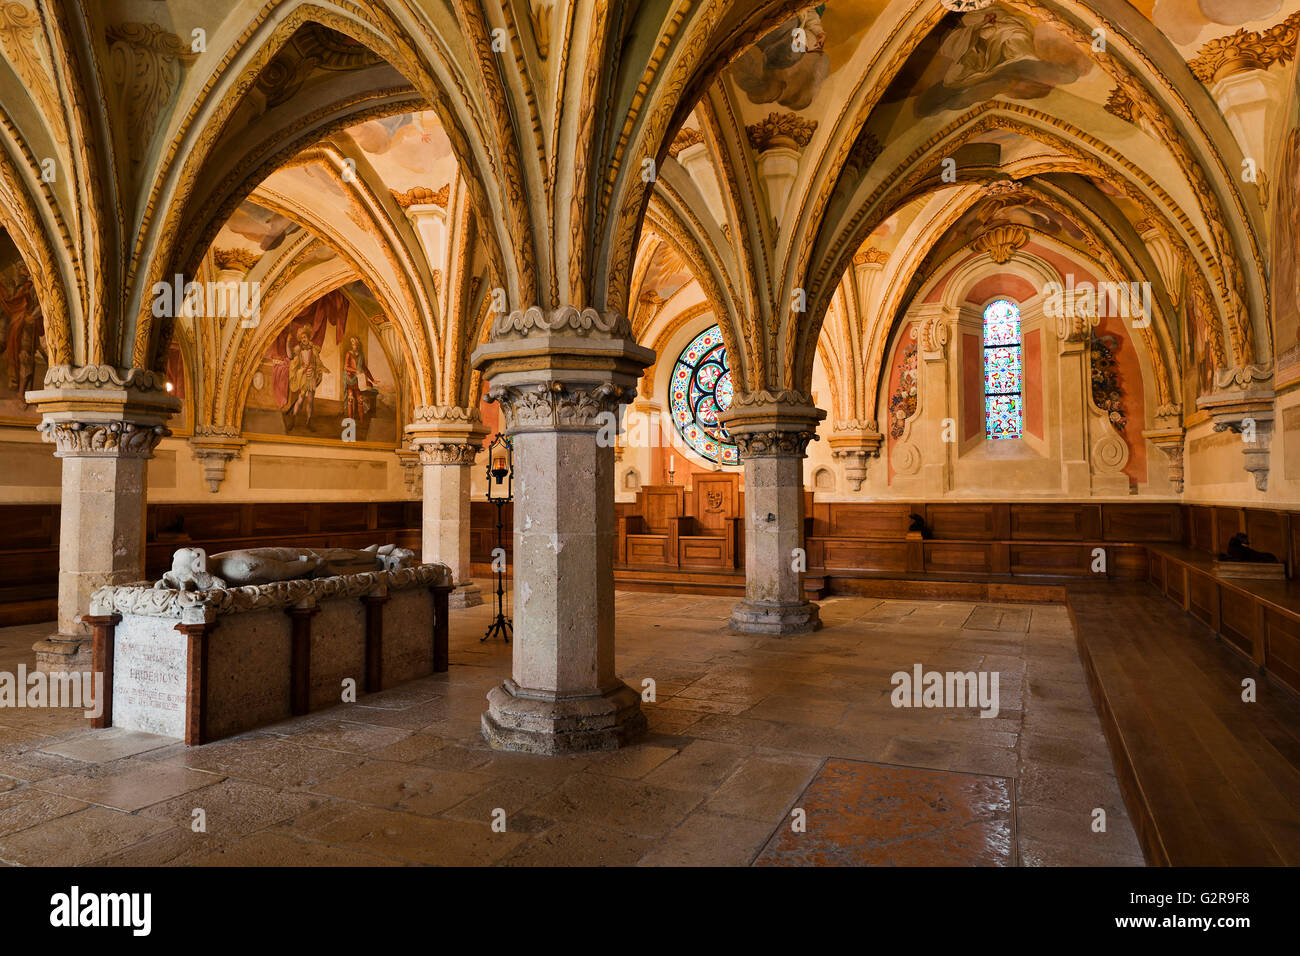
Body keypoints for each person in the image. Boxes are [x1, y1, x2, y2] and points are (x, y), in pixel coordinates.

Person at [283, 326, 324, 430]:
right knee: (301, 399)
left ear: (309, 337)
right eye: (301, 338)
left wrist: (315, 370)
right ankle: (293, 420)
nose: (303, 339)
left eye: (305, 337)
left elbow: (318, 363)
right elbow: (290, 356)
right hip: (303, 376)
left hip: (312, 377)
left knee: (310, 400)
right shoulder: (298, 349)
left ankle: (308, 422)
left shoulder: (314, 349)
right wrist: (288, 343)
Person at [342, 335, 379, 426]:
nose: (354, 346)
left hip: (358, 381)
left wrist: (372, 380)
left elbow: (365, 368)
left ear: (358, 345)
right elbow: (346, 367)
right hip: (350, 380)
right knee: (350, 399)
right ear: (352, 345)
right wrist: (355, 371)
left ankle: (361, 421)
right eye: (353, 344)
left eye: (356, 344)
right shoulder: (349, 354)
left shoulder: (361, 355)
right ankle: (350, 421)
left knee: (360, 400)